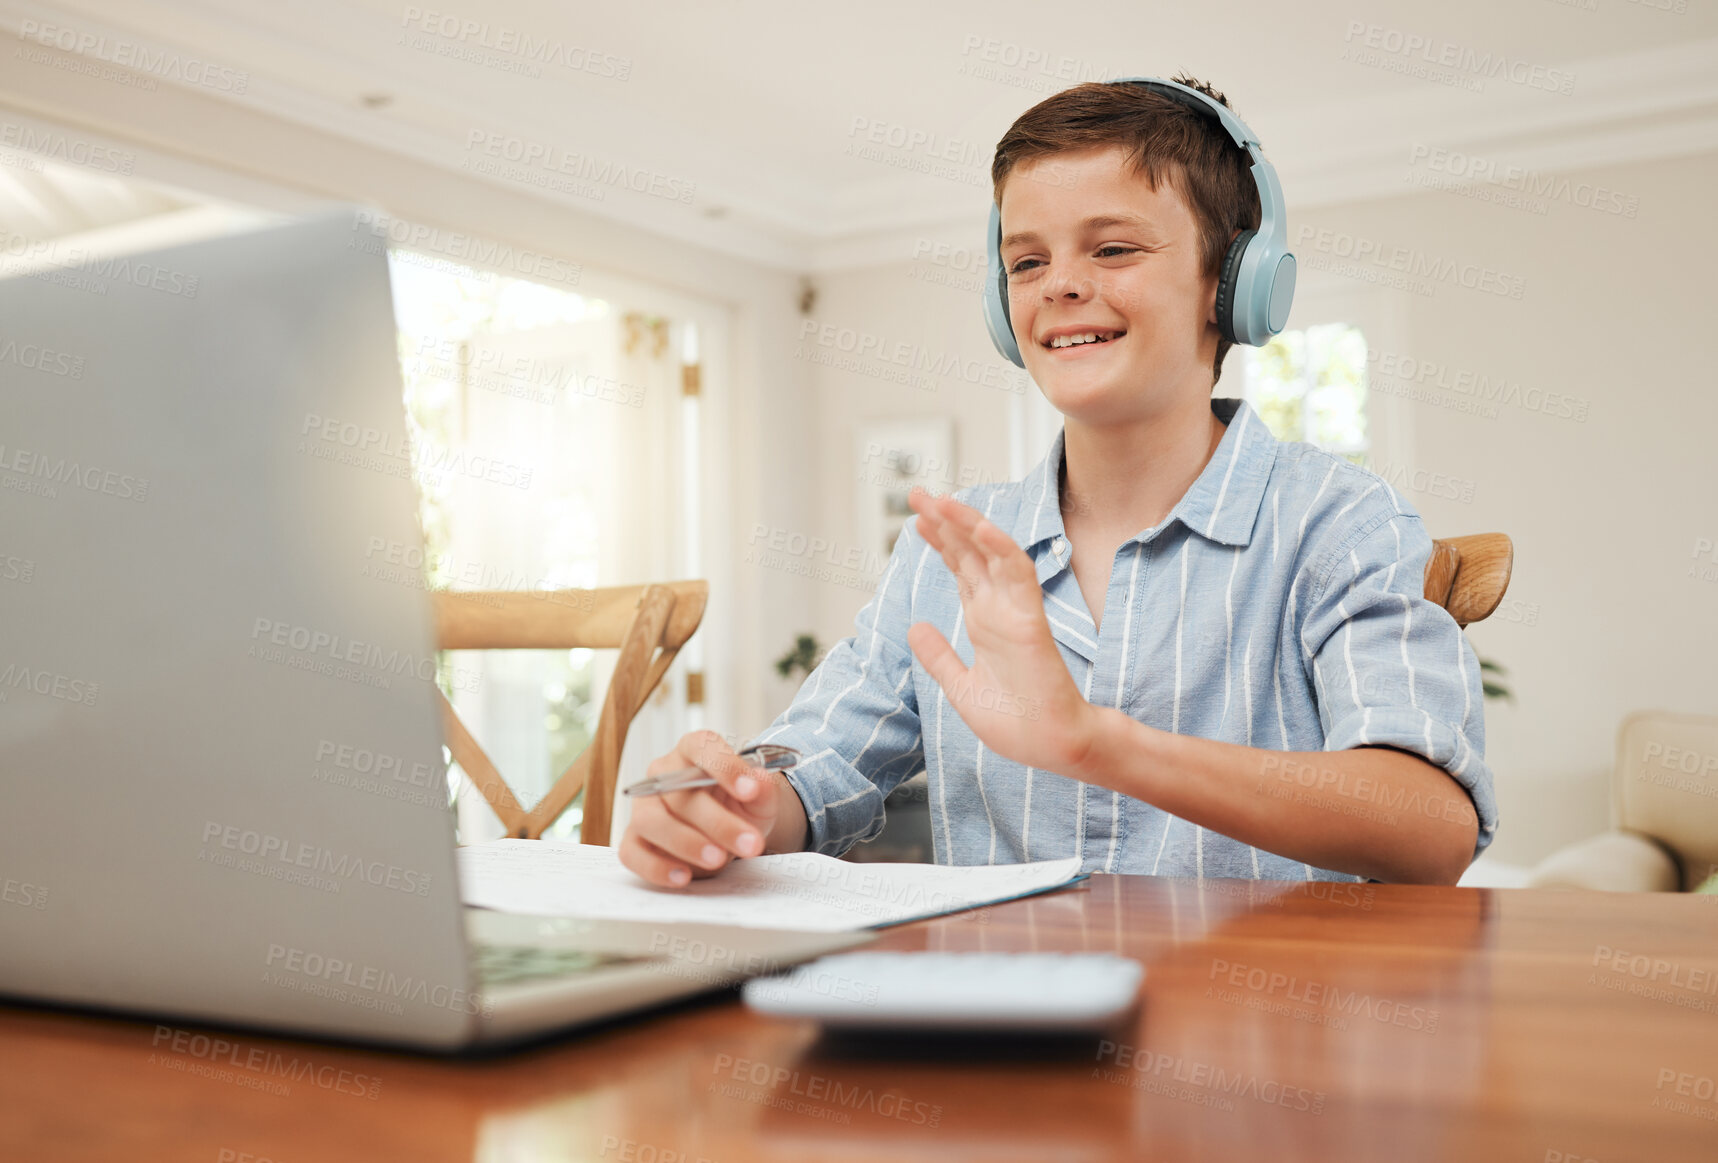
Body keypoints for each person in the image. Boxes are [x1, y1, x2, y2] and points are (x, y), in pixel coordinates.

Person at [618, 74, 1495, 889]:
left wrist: (1095, 742)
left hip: (1268, 1028)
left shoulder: (1338, 522)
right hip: (1008, 1030)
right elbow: (821, 764)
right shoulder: (950, 553)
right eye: (1027, 262)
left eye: (1112, 247)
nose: (1062, 285)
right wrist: (731, 805)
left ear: (1231, 283)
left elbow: (1430, 823)